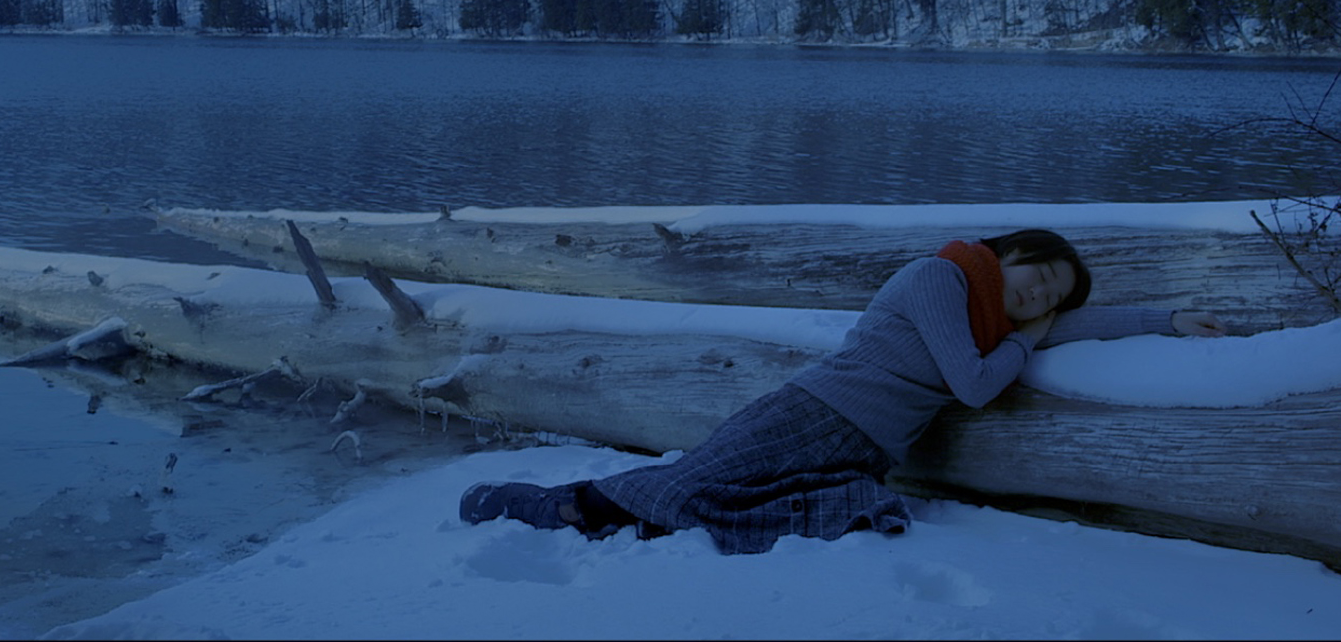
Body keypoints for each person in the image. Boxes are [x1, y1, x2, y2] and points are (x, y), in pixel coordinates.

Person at [458, 229, 1228, 553]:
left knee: (770, 509)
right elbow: (974, 384)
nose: (1037, 297)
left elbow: (1073, 326)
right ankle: (547, 502)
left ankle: (606, 514)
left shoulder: (1000, 322)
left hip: (863, 448)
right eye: (1038, 276)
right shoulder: (944, 277)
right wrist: (1030, 335)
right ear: (1015, 250)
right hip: (813, 410)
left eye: (1050, 295)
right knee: (695, 479)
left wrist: (1166, 318)